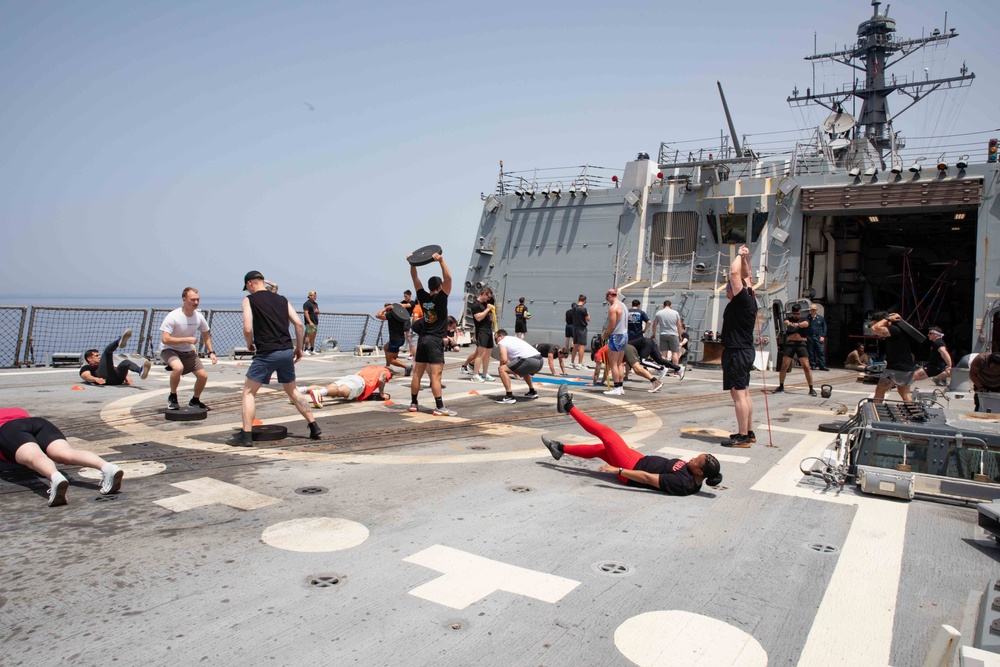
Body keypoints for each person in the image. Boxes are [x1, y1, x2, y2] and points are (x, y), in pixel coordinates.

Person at [539, 386, 722, 495]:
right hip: (639, 460)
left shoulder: (683, 483)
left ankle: (567, 406)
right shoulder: (692, 475)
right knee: (601, 449)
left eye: (695, 461)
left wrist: (619, 470)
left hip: (633, 468)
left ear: (700, 471)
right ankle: (560, 449)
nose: (691, 459)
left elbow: (647, 478)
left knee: (607, 434)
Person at [234, 270, 321, 447]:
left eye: (247, 288)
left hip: (267, 352)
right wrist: (298, 349)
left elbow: (248, 328)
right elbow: (298, 323)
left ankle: (246, 435)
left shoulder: (249, 300)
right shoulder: (282, 299)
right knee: (293, 391)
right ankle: (313, 425)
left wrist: (250, 344)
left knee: (249, 393)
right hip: (286, 350)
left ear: (250, 284)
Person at [0, 408, 123, 506]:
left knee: (35, 456)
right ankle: (108, 467)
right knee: (66, 452)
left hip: (8, 430)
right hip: (38, 422)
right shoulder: (14, 410)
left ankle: (55, 477)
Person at [408, 252, 456, 416]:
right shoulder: (441, 298)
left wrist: (412, 263)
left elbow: (415, 279)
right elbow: (449, 279)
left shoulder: (422, 297)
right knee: (436, 377)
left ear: (429, 288)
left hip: (422, 340)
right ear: (440, 286)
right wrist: (441, 261)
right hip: (435, 340)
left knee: (417, 374)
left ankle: (414, 403)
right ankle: (439, 407)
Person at [720, 245, 757, 448]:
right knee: (745, 392)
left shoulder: (741, 299)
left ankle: (742, 437)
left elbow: (735, 274)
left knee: (738, 394)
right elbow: (747, 275)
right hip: (745, 350)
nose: (727, 291)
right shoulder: (750, 296)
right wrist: (747, 259)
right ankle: (748, 431)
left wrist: (740, 255)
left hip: (737, 351)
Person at [159, 287, 217, 411]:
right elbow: (165, 339)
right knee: (178, 368)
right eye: (192, 300)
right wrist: (186, 339)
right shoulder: (173, 316)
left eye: (197, 300)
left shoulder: (199, 317)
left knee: (203, 376)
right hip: (169, 349)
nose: (196, 302)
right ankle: (172, 396)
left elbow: (206, 334)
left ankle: (195, 400)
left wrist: (211, 352)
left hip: (187, 350)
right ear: (184, 299)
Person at [870, 312, 916, 403]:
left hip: (896, 368)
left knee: (880, 391)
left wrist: (887, 319)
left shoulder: (894, 330)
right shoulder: (898, 330)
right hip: (906, 367)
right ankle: (914, 415)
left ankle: (874, 412)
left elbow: (874, 329)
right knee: (905, 394)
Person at [80, 329, 151, 387]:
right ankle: (118, 342)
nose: (99, 357)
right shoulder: (87, 367)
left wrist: (126, 377)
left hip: (117, 380)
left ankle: (140, 371)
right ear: (89, 359)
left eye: (99, 355)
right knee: (107, 352)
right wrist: (95, 379)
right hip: (104, 379)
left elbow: (116, 370)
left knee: (125, 362)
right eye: (96, 356)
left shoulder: (105, 366)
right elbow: (85, 376)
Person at [773, 304, 817, 396]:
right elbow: (786, 322)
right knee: (784, 365)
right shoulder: (789, 318)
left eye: (797, 313)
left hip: (801, 344)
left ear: (800, 312)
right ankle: (781, 386)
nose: (795, 315)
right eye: (794, 313)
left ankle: (811, 388)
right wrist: (790, 324)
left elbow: (806, 324)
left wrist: (796, 325)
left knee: (806, 366)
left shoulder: (804, 319)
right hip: (791, 344)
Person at [303, 365, 394, 407]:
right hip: (360, 383)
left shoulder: (371, 367)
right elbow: (382, 379)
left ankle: (300, 390)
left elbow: (357, 374)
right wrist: (381, 394)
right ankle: (318, 393)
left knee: (329, 389)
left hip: (352, 377)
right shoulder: (386, 371)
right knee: (339, 391)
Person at [492, 329, 542, 403]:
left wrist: (502, 372)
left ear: (501, 336)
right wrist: (515, 372)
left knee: (501, 369)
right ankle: (532, 391)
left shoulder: (502, 342)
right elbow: (513, 363)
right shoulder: (513, 339)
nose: (496, 342)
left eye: (496, 339)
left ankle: (509, 397)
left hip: (529, 360)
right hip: (539, 361)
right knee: (524, 369)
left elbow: (504, 360)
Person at [593, 343, 664, 393]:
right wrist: (602, 382)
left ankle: (656, 382)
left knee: (637, 368)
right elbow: (606, 370)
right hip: (627, 348)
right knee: (636, 370)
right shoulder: (606, 355)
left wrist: (594, 382)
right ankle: (619, 387)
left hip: (625, 349)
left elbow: (597, 369)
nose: (596, 361)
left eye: (595, 360)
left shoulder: (598, 353)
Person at [600, 289, 629, 395]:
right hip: (625, 335)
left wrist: (605, 334)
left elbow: (612, 325)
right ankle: (620, 386)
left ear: (609, 296)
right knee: (620, 363)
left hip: (616, 336)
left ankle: (616, 387)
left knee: (613, 363)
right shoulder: (624, 306)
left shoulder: (613, 308)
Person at [468, 287, 496, 383]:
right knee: (480, 353)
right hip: (482, 330)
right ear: (484, 294)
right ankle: (475, 375)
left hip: (488, 329)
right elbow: (478, 318)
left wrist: (491, 311)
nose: (488, 299)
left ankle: (485, 373)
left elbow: (490, 318)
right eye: (488, 297)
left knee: (488, 353)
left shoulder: (485, 304)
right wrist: (487, 310)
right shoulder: (475, 305)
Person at [374, 303, 410, 375]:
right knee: (386, 347)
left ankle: (406, 367)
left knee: (392, 360)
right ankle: (388, 366)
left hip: (395, 340)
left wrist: (385, 309)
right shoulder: (400, 317)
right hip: (400, 339)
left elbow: (377, 315)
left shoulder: (390, 316)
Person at [650, 300, 683, 367]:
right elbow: (679, 325)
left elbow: (654, 325)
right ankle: (676, 370)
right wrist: (680, 335)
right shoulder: (675, 313)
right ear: (670, 306)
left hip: (663, 334)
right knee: (674, 353)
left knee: (663, 354)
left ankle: (662, 368)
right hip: (673, 334)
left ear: (663, 305)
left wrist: (653, 334)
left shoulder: (659, 313)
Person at [570, 295, 590, 370]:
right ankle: (579, 363)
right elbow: (588, 319)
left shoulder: (574, 308)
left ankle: (572, 362)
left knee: (575, 345)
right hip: (582, 328)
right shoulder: (583, 309)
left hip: (575, 327)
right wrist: (588, 313)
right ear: (584, 300)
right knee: (582, 346)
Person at [806, 304, 828, 371]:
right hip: (810, 337)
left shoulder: (820, 318)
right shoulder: (807, 318)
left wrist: (823, 336)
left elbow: (824, 327)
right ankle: (813, 365)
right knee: (811, 352)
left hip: (818, 337)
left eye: (814, 310)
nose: (813, 311)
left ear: (816, 310)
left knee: (820, 352)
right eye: (812, 309)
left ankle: (822, 365)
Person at [302, 291, 320, 355]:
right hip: (310, 322)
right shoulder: (307, 304)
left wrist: (317, 311)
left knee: (313, 336)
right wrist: (310, 322)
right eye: (313, 296)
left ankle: (312, 349)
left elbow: (317, 311)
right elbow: (306, 313)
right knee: (308, 336)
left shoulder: (315, 304)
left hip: (315, 322)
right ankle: (305, 349)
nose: (315, 297)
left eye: (315, 296)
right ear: (310, 296)